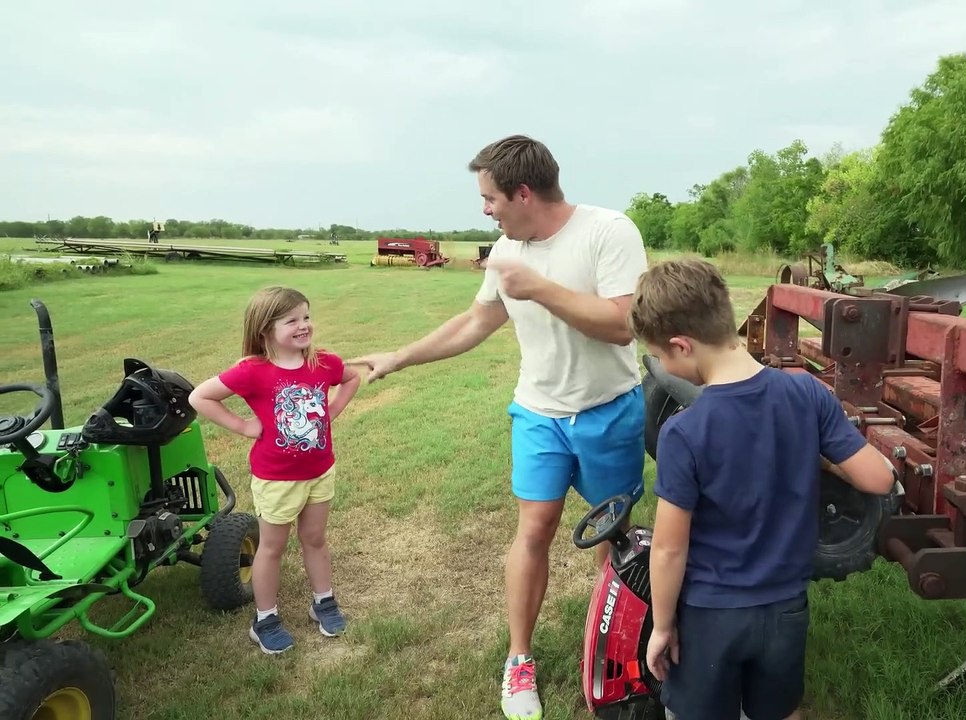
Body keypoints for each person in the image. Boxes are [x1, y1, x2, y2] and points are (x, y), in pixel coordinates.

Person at [350, 134, 649, 720]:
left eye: (490, 198)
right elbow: (477, 321)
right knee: (533, 528)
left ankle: (606, 646)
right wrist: (399, 357)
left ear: (523, 193)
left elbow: (622, 324)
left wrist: (539, 288)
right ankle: (519, 659)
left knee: (611, 532)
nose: (485, 209)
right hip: (537, 412)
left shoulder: (609, 231)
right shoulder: (509, 248)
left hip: (609, 409)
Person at [628, 258, 895, 720]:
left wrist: (664, 626)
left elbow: (669, 550)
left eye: (662, 356)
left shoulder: (684, 432)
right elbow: (879, 478)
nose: (665, 366)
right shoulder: (807, 394)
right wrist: (815, 450)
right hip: (786, 608)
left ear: (681, 346)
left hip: (711, 613)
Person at [189, 286, 362, 655]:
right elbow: (199, 396)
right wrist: (243, 426)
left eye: (307, 316)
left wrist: (332, 412)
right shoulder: (253, 371)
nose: (304, 325)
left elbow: (351, 378)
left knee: (315, 538)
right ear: (265, 329)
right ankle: (264, 620)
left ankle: (324, 602)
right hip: (277, 479)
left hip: (320, 472)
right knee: (272, 547)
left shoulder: (323, 362)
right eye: (292, 320)